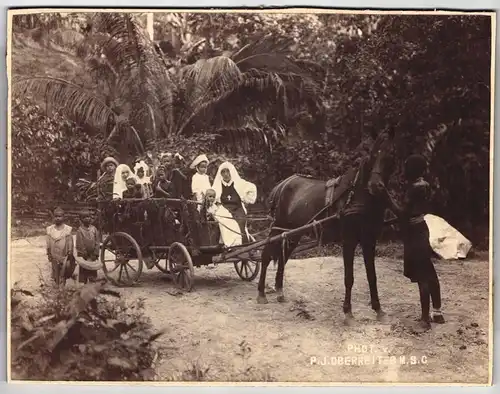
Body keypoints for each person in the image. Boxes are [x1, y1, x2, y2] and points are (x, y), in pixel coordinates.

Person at [382, 154, 445, 332]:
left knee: (422, 276)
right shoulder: (424, 185)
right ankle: (437, 312)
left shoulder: (414, 188)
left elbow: (403, 213)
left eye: (406, 168)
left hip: (415, 233)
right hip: (423, 229)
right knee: (429, 272)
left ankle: (425, 319)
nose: (403, 171)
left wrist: (387, 198)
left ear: (412, 170)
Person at [212, 161, 257, 245]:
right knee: (226, 221)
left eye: (227, 171)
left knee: (240, 221)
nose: (226, 174)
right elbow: (211, 198)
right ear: (220, 174)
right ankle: (232, 245)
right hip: (224, 208)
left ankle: (243, 245)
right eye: (223, 172)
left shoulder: (238, 183)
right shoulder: (217, 185)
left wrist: (245, 199)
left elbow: (252, 188)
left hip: (238, 208)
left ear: (231, 172)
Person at [46, 207, 75, 285]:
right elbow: (48, 242)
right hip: (54, 254)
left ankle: (63, 284)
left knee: (64, 269)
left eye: (60, 216)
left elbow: (70, 241)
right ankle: (56, 283)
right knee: (55, 269)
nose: (57, 218)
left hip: (64, 255)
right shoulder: (50, 229)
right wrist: (48, 252)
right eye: (56, 216)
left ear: (63, 217)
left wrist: (70, 251)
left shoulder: (67, 230)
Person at [75, 210, 100, 283]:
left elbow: (97, 241)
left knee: (93, 269)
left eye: (88, 217)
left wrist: (95, 253)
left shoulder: (94, 229)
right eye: (84, 217)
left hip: (93, 255)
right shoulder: (80, 231)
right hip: (84, 256)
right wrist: (84, 253)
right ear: (81, 219)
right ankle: (84, 285)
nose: (87, 219)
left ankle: (92, 285)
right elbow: (79, 244)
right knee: (84, 270)